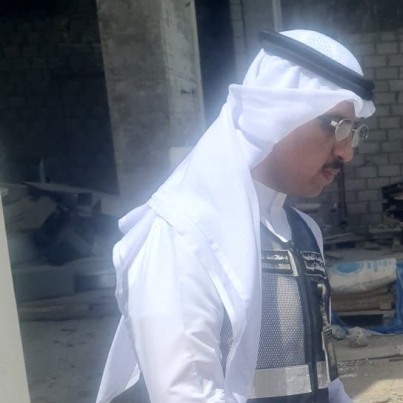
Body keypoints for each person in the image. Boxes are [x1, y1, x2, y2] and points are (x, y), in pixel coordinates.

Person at [95, 30, 375, 403]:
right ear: (275, 112)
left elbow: (323, 378)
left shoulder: (305, 232)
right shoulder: (184, 234)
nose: (346, 152)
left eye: (353, 132)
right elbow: (186, 396)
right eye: (335, 126)